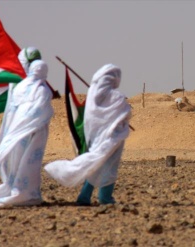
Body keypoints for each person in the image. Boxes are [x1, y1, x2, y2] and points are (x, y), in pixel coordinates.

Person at [44, 64, 131, 205]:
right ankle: (105, 197)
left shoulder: (91, 94)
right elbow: (126, 113)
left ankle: (84, 197)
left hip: (95, 138)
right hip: (113, 138)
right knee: (109, 166)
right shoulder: (116, 97)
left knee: (93, 166)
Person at [0, 60, 54, 208]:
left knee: (18, 162)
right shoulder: (43, 90)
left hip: (17, 131)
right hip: (34, 131)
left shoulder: (20, 86)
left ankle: (26, 193)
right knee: (29, 164)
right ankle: (23, 193)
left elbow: (12, 110)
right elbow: (41, 111)